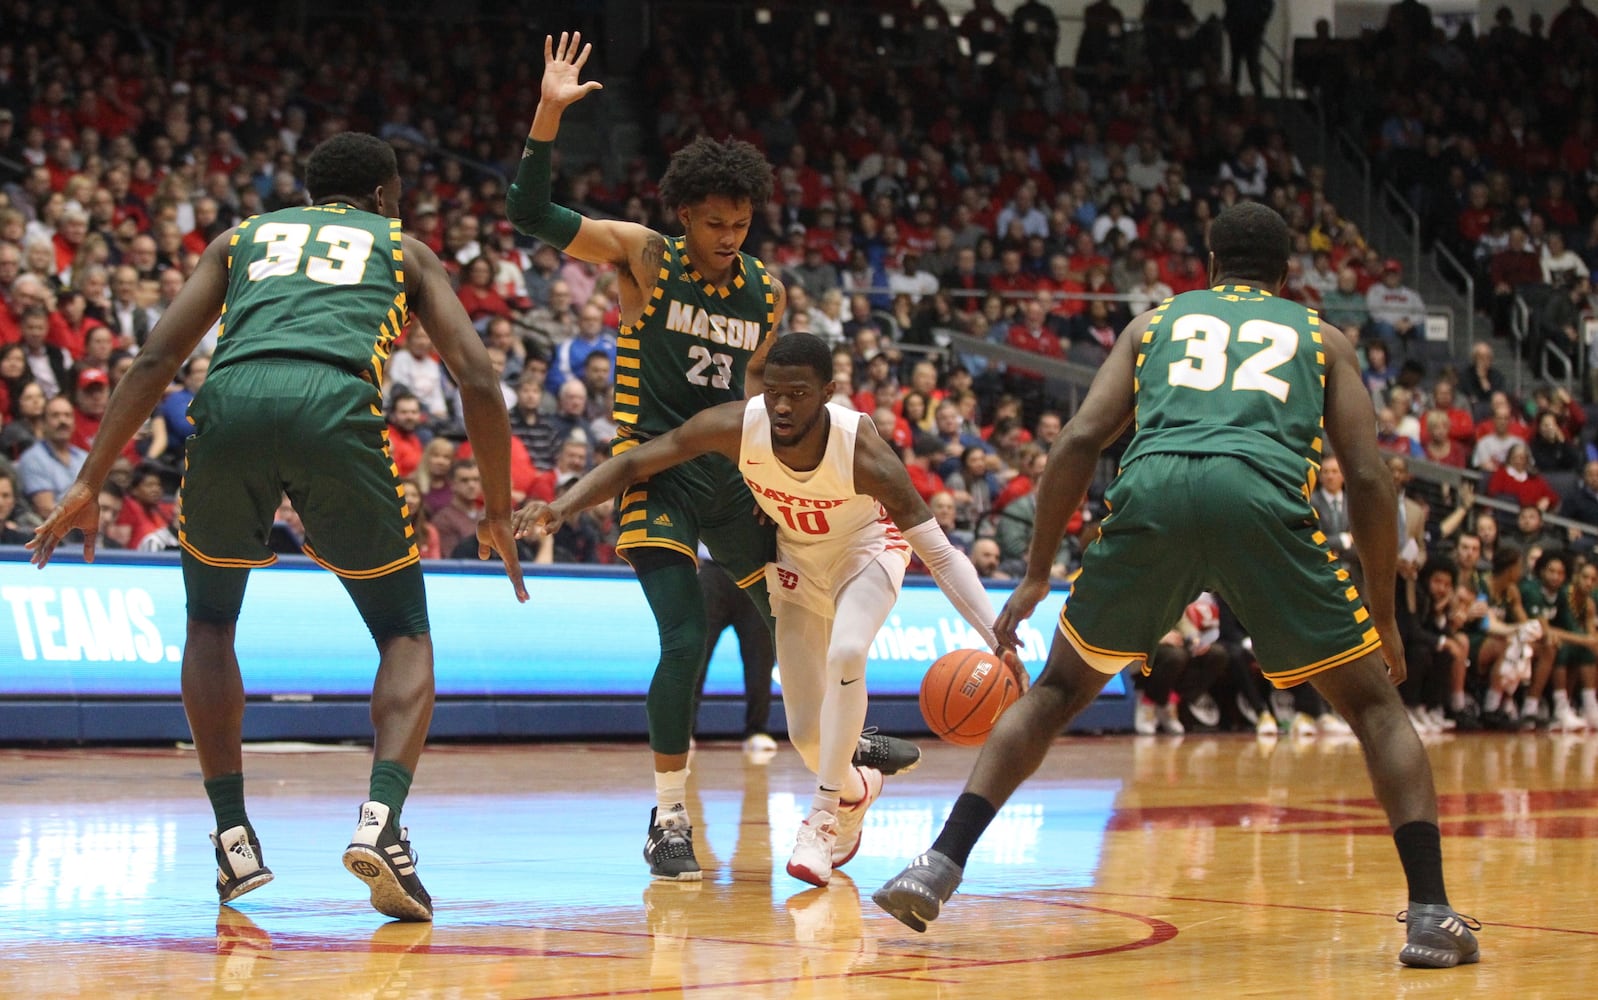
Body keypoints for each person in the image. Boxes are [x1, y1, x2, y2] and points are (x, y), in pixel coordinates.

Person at [872, 202, 1479, 968]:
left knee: (1057, 692)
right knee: (1374, 708)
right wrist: (1385, 616)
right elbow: (1365, 474)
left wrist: (1035, 574)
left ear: (1209, 260)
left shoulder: (1152, 325)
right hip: (1260, 496)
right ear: (1288, 273)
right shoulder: (1323, 340)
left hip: (1152, 491)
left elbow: (1078, 441)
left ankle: (938, 864)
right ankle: (1431, 914)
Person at [27, 132, 527, 923]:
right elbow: (479, 378)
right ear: (386, 196)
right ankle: (381, 822)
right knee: (403, 629)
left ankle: (232, 839)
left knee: (210, 620)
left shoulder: (241, 238)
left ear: (308, 190)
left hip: (229, 402)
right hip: (335, 401)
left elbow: (157, 358)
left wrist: (91, 478)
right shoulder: (404, 248)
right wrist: (498, 509)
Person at [505, 32, 918, 881]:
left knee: (794, 617)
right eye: (715, 222)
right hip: (651, 468)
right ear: (684, 214)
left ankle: (844, 738)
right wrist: (548, 114)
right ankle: (667, 818)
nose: (730, 236)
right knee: (684, 635)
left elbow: (773, 395)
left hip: (732, 476)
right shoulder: (643, 254)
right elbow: (530, 217)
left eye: (742, 223)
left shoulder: (765, 291)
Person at [514, 332, 1019, 887]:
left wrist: (1000, 638)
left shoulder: (864, 452)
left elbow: (943, 556)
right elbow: (638, 461)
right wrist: (562, 506)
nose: (781, 404)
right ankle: (858, 790)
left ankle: (822, 820)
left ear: (828, 392)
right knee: (807, 737)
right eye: (773, 390)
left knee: (848, 650)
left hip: (867, 551)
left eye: (797, 393)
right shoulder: (737, 424)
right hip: (797, 565)